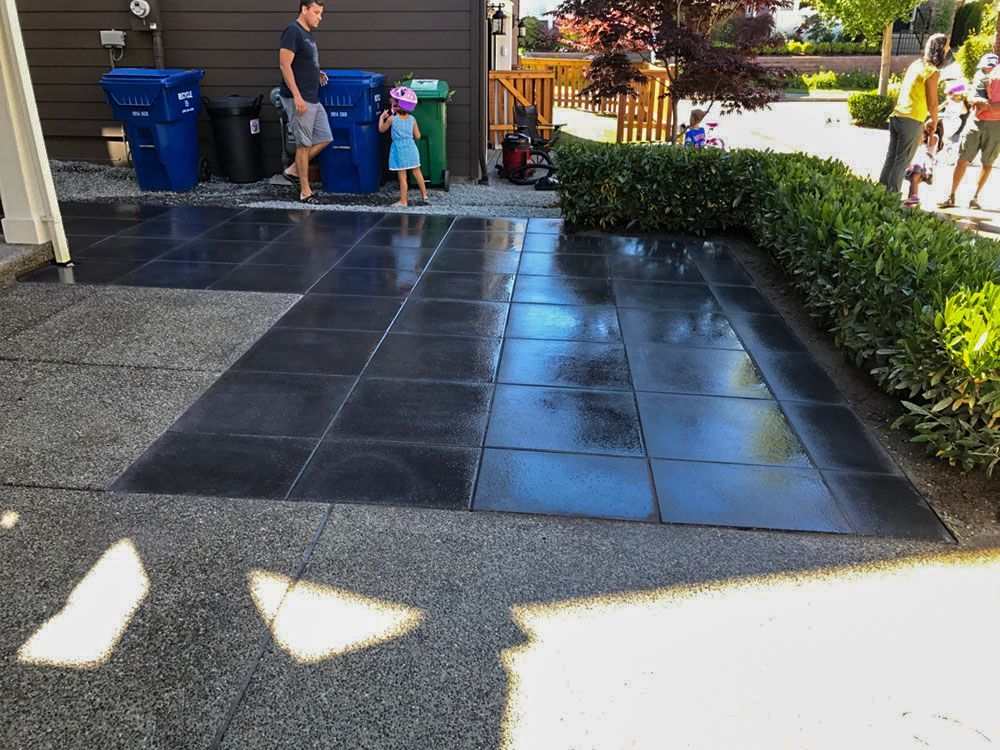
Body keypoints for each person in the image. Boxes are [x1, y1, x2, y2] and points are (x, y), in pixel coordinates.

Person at [878, 33, 949, 194]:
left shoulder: (916, 64)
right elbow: (933, 103)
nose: (948, 49)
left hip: (898, 117)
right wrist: (935, 121)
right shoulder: (931, 71)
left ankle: (879, 194)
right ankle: (891, 198)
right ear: (939, 49)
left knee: (891, 158)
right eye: (946, 46)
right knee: (902, 162)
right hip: (911, 120)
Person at [278, 0, 330, 205]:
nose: (320, 17)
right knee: (303, 144)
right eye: (316, 12)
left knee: (325, 137)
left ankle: (292, 170)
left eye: (321, 13)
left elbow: (303, 62)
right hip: (299, 98)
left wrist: (317, 72)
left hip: (313, 96)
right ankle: (305, 192)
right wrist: (297, 96)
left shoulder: (308, 35)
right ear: (304, 9)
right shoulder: (293, 31)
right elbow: (284, 65)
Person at [939, 54, 1000, 209]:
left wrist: (988, 106)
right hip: (975, 122)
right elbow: (971, 95)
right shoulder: (980, 76)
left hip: (995, 126)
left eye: (991, 66)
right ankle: (951, 195)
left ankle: (975, 197)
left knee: (987, 163)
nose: (989, 69)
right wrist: (975, 101)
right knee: (962, 159)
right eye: (987, 66)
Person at [379, 86, 429, 207]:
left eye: (394, 101)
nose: (392, 102)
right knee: (417, 173)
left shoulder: (392, 119)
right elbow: (417, 136)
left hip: (399, 149)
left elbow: (381, 129)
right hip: (411, 148)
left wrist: (382, 118)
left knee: (403, 177)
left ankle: (403, 201)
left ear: (399, 105)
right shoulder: (412, 119)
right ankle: (425, 196)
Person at [903, 120, 943, 208]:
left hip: (923, 162)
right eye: (927, 126)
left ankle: (913, 199)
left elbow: (930, 145)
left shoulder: (935, 136)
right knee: (914, 181)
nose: (928, 128)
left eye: (931, 126)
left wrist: (931, 133)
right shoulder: (924, 136)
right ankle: (911, 199)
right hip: (919, 159)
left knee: (914, 179)